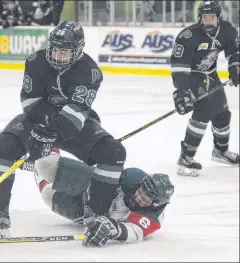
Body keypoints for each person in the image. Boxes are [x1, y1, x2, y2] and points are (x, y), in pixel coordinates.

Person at [0, 21, 127, 239]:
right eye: (55, 50)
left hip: (75, 124)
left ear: (78, 50)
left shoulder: (90, 72)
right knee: (2, 145)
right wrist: (42, 130)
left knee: (113, 151)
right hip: (39, 118)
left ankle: (97, 215)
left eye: (64, 52)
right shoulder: (35, 61)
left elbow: (75, 114)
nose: (57, 57)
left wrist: (49, 134)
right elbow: (30, 101)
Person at [34, 153, 174, 247]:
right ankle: (42, 151)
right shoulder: (133, 177)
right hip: (91, 184)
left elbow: (134, 232)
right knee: (45, 164)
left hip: (86, 212)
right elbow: (106, 177)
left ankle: (39, 174)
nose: (138, 196)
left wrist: (114, 229)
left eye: (144, 198)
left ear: (155, 204)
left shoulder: (152, 218)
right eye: (140, 191)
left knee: (47, 194)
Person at [170, 0, 239, 177]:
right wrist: (182, 92)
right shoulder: (188, 35)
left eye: (212, 17)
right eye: (205, 17)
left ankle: (220, 151)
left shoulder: (228, 30)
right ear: (200, 17)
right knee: (204, 111)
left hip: (211, 74)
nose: (208, 21)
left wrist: (235, 68)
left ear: (218, 17)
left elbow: (234, 52)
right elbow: (179, 67)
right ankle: (186, 156)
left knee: (223, 114)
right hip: (192, 76)